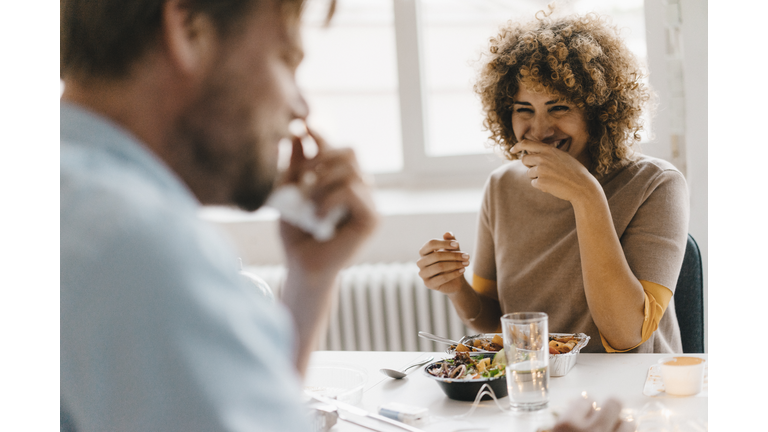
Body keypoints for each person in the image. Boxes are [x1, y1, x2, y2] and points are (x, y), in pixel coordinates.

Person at [60, 0, 378, 430]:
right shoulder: (139, 246)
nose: (300, 107)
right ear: (190, 28)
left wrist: (311, 281)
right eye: (285, 60)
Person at [417, 11, 689, 354]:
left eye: (558, 107)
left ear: (599, 111)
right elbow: (493, 319)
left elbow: (628, 333)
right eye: (524, 109)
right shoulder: (502, 187)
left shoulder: (656, 185)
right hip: (537, 386)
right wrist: (455, 285)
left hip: (633, 391)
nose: (540, 130)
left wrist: (586, 194)